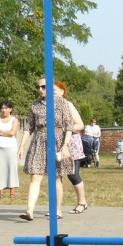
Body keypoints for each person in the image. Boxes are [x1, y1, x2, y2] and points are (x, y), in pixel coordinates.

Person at [17, 77, 78, 221]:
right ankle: (29, 211)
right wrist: (21, 146)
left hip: (57, 140)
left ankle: (57, 210)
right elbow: (29, 127)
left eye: (43, 87)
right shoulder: (35, 104)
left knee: (56, 177)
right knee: (35, 176)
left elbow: (69, 126)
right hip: (39, 139)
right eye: (38, 87)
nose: (40, 90)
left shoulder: (62, 103)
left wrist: (65, 145)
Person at [54, 81, 89, 214]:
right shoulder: (48, 107)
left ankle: (82, 202)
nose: (52, 93)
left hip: (71, 144)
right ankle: (56, 208)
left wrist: (64, 129)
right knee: (57, 176)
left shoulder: (68, 105)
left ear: (62, 92)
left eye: (55, 90)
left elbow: (80, 125)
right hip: (55, 143)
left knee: (73, 174)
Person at [0, 101, 20, 198]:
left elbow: (12, 133)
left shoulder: (14, 120)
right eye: (2, 108)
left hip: (11, 147)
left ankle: (12, 192)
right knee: (0, 169)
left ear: (10, 109)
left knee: (12, 168)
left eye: (6, 108)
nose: (4, 110)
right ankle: (1, 191)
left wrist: (0, 132)